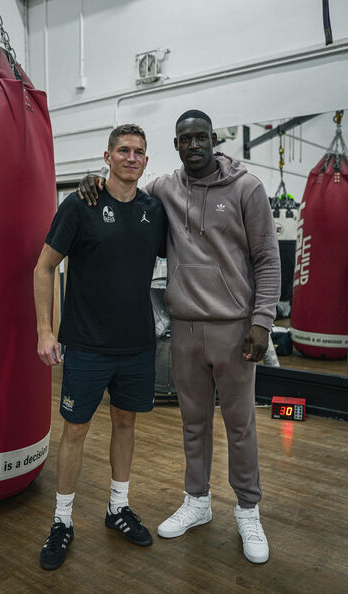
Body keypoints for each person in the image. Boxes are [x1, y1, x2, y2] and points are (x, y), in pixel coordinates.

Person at [77, 110, 281, 564]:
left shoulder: (247, 188)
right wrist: (93, 181)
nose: (194, 146)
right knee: (194, 423)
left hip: (234, 327)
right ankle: (197, 501)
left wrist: (263, 320)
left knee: (241, 425)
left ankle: (248, 510)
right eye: (185, 140)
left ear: (213, 139)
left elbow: (268, 257)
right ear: (175, 145)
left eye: (200, 138)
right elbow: (125, 191)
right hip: (185, 326)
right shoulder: (165, 188)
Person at [34, 124, 167, 570]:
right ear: (107, 157)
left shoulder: (153, 210)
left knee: (126, 424)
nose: (131, 157)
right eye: (123, 150)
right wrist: (45, 331)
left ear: (146, 161)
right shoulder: (81, 204)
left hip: (137, 345)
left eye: (139, 152)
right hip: (87, 345)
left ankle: (118, 508)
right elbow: (43, 267)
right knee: (75, 430)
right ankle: (62, 520)